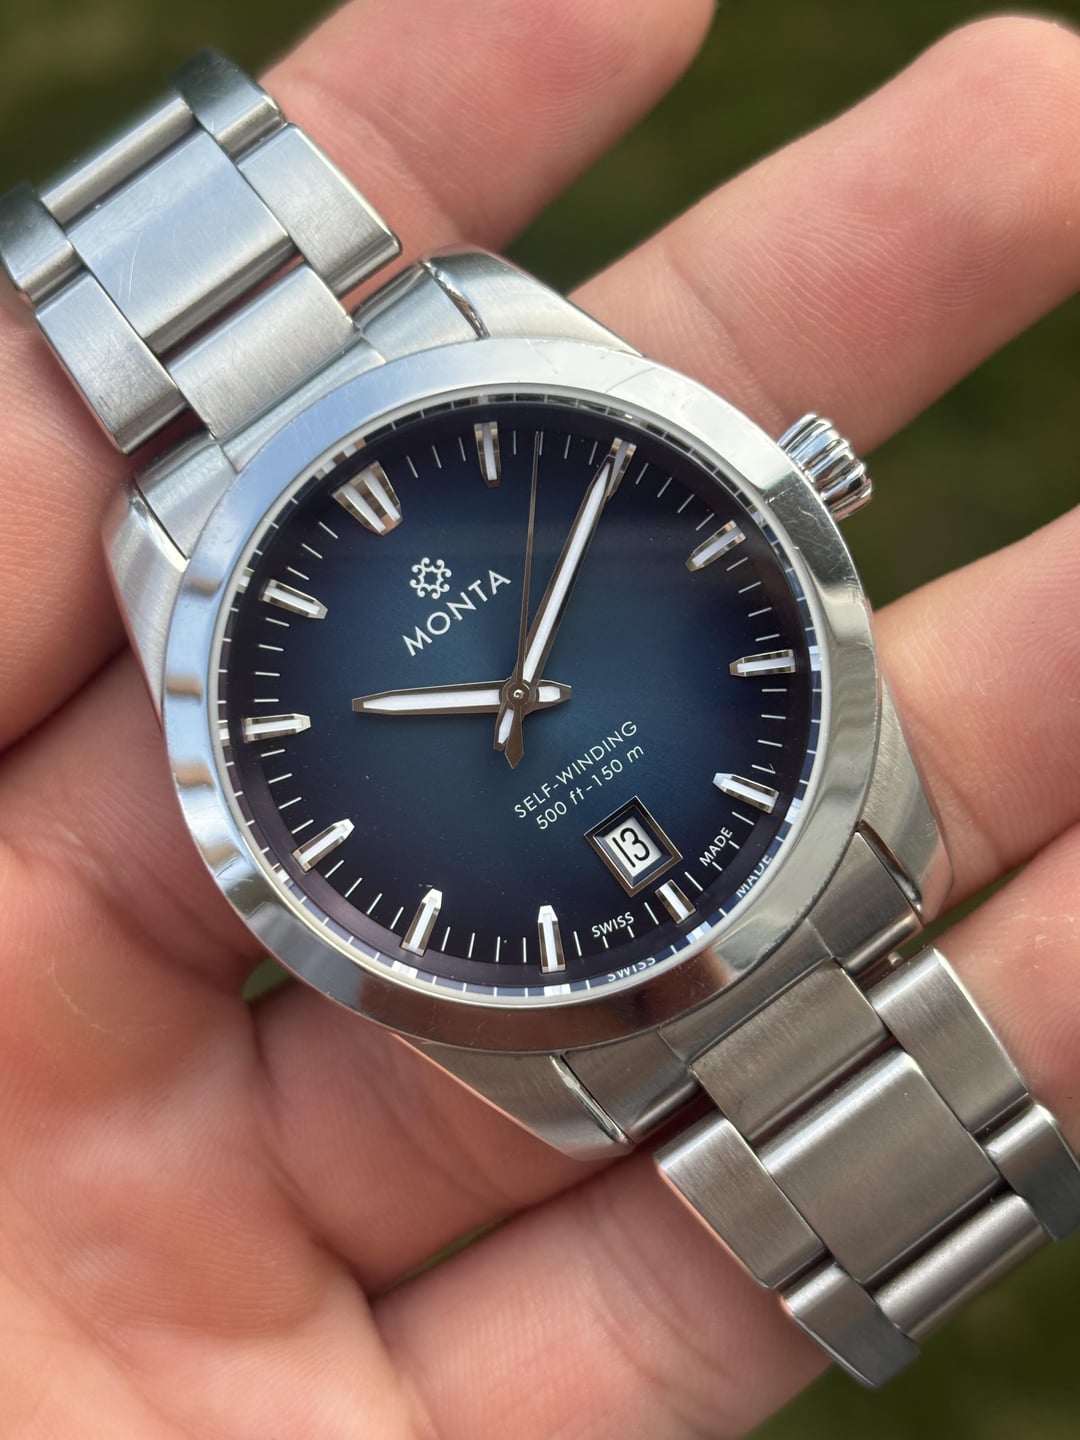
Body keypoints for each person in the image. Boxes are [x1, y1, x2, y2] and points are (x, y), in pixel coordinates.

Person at [0, 1, 1077, 1432]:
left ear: (797, 488)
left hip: (723, 879)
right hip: (601, 944)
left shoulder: (433, 350)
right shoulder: (169, 539)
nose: (514, 699)